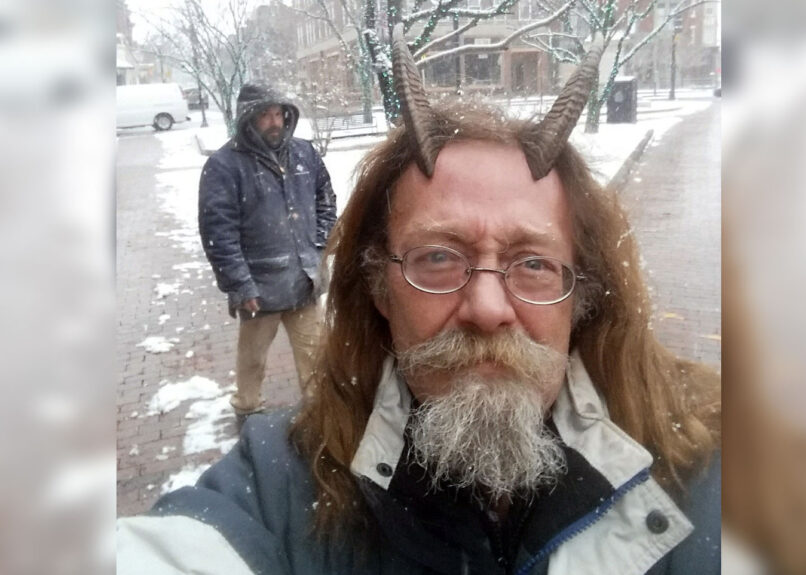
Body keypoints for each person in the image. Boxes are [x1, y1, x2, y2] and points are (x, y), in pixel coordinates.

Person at [118, 27, 720, 574]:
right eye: (437, 257)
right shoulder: (279, 484)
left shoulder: (714, 468)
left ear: (581, 296)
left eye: (534, 264)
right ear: (379, 286)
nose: (488, 308)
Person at [198, 83, 337, 416]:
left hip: (304, 280)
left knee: (315, 357)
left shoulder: (304, 153)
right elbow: (219, 232)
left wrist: (319, 244)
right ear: (248, 118)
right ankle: (247, 408)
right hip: (259, 289)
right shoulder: (224, 165)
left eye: (279, 114)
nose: (275, 122)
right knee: (253, 361)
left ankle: (319, 414)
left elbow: (326, 201)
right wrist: (240, 284)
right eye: (265, 115)